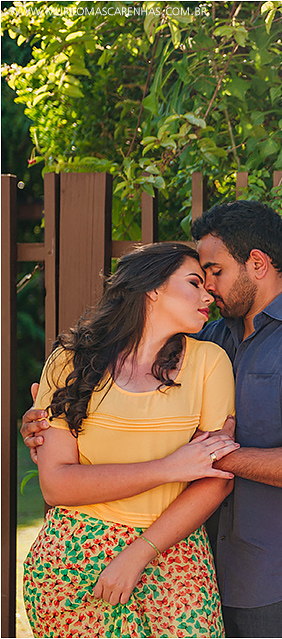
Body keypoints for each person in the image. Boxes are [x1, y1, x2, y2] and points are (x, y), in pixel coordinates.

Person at [22, 200, 282, 637]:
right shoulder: (212, 336)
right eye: (198, 279)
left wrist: (212, 459)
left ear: (256, 264)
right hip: (208, 566)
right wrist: (46, 420)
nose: (208, 289)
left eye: (215, 272)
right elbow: (124, 397)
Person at [23, 242, 240, 638]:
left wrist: (138, 554)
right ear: (152, 287)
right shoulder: (69, 361)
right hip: (72, 557)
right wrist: (168, 468)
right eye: (194, 282)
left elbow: (214, 479)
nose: (209, 294)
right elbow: (56, 484)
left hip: (173, 554)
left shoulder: (210, 363)